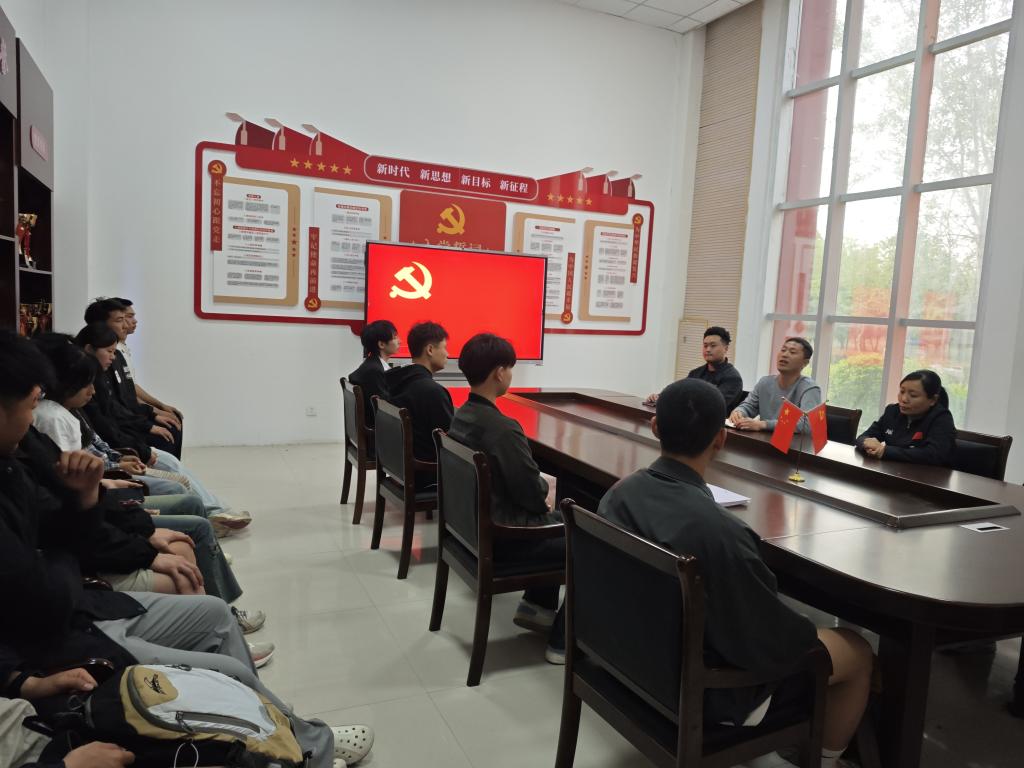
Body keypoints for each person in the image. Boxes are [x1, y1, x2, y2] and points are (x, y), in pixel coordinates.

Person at [0, 330, 371, 768]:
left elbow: (68, 533)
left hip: (83, 602)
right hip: (68, 635)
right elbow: (51, 582)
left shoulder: (19, 457)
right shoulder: (36, 443)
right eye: (31, 403)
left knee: (211, 608)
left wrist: (94, 508)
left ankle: (286, 728)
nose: (34, 414)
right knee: (223, 654)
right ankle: (301, 747)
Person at [598, 379, 872, 767]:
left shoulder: (619, 492)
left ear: (655, 427)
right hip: (697, 687)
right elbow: (768, 639)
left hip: (628, 657)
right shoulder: (722, 533)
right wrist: (805, 628)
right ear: (721, 439)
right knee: (856, 650)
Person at [447, 333, 566, 663]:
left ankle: (536, 608)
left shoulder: (462, 415)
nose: (511, 374)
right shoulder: (502, 428)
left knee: (555, 515)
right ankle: (562, 641)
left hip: (469, 529)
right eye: (510, 368)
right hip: (504, 540)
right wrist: (542, 497)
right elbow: (531, 492)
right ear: (499, 372)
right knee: (587, 540)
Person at [74, 323, 252, 536]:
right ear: (89, 348)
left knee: (172, 456)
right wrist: (137, 449)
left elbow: (117, 414)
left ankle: (217, 510)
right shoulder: (76, 400)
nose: (129, 323)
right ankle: (212, 513)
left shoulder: (102, 375)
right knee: (172, 470)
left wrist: (152, 415)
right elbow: (107, 428)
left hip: (121, 449)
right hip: (118, 456)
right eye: (109, 351)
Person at [84, 299, 181, 458]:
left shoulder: (116, 355)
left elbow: (127, 396)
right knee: (166, 435)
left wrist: (153, 413)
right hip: (118, 430)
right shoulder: (95, 365)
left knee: (172, 427)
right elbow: (110, 412)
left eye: (126, 318)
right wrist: (149, 421)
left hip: (126, 420)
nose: (127, 324)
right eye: (120, 320)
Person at [384, 321, 453, 487]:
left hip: (397, 467)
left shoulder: (394, 379)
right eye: (444, 347)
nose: (448, 354)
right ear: (430, 350)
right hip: (426, 474)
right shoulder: (432, 392)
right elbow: (451, 443)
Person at [856, 369, 956, 466]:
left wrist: (885, 451)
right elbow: (863, 437)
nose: (903, 399)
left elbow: (933, 454)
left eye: (913, 395)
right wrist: (866, 444)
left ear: (933, 400)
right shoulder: (892, 411)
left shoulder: (941, 418)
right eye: (902, 392)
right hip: (892, 472)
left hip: (928, 476)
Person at [111, 297, 184, 422]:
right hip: (124, 415)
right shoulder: (114, 351)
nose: (134, 321)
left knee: (173, 418)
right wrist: (157, 410)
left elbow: (131, 386)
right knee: (172, 422)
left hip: (131, 409)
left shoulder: (122, 347)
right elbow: (127, 394)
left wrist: (160, 406)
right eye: (128, 317)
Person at [730, 337, 821, 433]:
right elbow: (749, 406)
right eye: (783, 350)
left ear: (805, 363)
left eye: (792, 352)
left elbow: (807, 424)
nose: (785, 355)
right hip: (764, 439)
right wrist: (739, 412)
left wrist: (764, 424)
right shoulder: (765, 382)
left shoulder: (810, 388)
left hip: (793, 442)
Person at [645, 326, 743, 409]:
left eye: (713, 345)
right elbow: (679, 390)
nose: (708, 349)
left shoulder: (733, 378)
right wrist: (660, 397)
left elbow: (713, 406)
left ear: (726, 349)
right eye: (705, 346)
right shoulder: (696, 373)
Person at [348, 319, 399, 425]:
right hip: (378, 427)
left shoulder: (372, 364)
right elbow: (386, 407)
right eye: (395, 338)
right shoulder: (374, 371)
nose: (399, 341)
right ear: (381, 344)